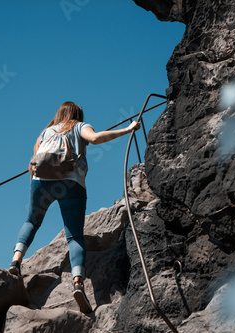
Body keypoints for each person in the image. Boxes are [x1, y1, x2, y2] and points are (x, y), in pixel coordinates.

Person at [9, 101, 141, 313]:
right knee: (74, 236)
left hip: (40, 182)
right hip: (71, 183)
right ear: (77, 115)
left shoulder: (45, 132)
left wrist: (36, 186)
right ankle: (78, 283)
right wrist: (127, 129)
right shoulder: (78, 126)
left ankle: (16, 261)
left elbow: (33, 161)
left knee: (32, 221)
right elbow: (95, 139)